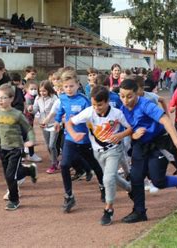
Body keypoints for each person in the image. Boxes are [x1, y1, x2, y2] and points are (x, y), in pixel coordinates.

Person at [118, 79, 177, 223]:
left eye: (129, 96)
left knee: (158, 181)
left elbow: (165, 121)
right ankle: (139, 212)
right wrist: (133, 135)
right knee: (136, 178)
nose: (125, 100)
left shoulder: (146, 105)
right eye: (122, 96)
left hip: (159, 143)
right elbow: (127, 129)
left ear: (137, 93)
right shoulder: (122, 110)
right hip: (140, 145)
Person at [67, 86, 132, 225]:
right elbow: (69, 123)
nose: (97, 108)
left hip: (114, 150)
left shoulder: (117, 114)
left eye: (100, 105)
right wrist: (73, 134)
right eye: (94, 104)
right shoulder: (89, 112)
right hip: (98, 153)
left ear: (107, 101)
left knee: (107, 179)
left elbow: (131, 128)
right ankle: (130, 188)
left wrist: (120, 135)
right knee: (112, 176)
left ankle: (108, 210)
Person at [54, 69, 105, 213]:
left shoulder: (84, 100)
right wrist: (58, 121)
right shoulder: (62, 98)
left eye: (71, 86)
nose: (68, 89)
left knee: (95, 164)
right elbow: (60, 111)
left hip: (85, 139)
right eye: (66, 87)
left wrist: (95, 132)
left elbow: (92, 117)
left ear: (77, 85)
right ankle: (69, 196)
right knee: (64, 165)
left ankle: (103, 187)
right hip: (70, 137)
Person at [32, 81, 59, 173]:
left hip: (54, 124)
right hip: (43, 124)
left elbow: (56, 111)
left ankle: (54, 164)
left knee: (52, 145)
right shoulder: (38, 98)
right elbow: (35, 110)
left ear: (49, 90)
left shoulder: (54, 98)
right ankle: (55, 160)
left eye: (44, 91)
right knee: (48, 146)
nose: (42, 93)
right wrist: (31, 109)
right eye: (40, 91)